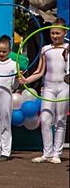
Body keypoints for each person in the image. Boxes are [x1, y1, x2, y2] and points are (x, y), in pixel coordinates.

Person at [19, 18, 69, 164]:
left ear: (64, 32)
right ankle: (46, 153)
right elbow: (40, 71)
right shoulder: (45, 49)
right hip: (49, 86)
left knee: (60, 119)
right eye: (52, 33)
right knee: (46, 119)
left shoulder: (68, 48)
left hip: (64, 86)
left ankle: (56, 153)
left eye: (58, 33)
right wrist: (26, 80)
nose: (55, 36)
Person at [19, 0, 58, 92]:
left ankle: (46, 86)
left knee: (44, 55)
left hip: (44, 21)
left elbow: (44, 2)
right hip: (32, 20)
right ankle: (32, 88)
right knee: (32, 55)